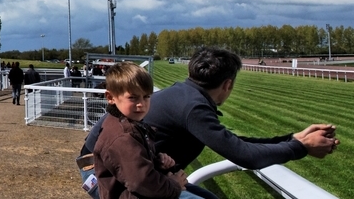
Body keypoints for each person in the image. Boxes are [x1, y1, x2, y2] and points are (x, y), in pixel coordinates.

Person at [79, 47, 340, 199]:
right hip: (112, 175)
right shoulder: (193, 107)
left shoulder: (186, 95)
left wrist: (292, 140)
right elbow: (244, 155)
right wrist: (301, 148)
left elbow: (233, 143)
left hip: (131, 170)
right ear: (228, 85)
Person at [88, 61, 194, 198]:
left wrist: (157, 161)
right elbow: (141, 182)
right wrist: (174, 185)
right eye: (133, 97)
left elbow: (134, 167)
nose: (141, 104)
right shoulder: (122, 137)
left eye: (146, 96)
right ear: (111, 97)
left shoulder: (129, 124)